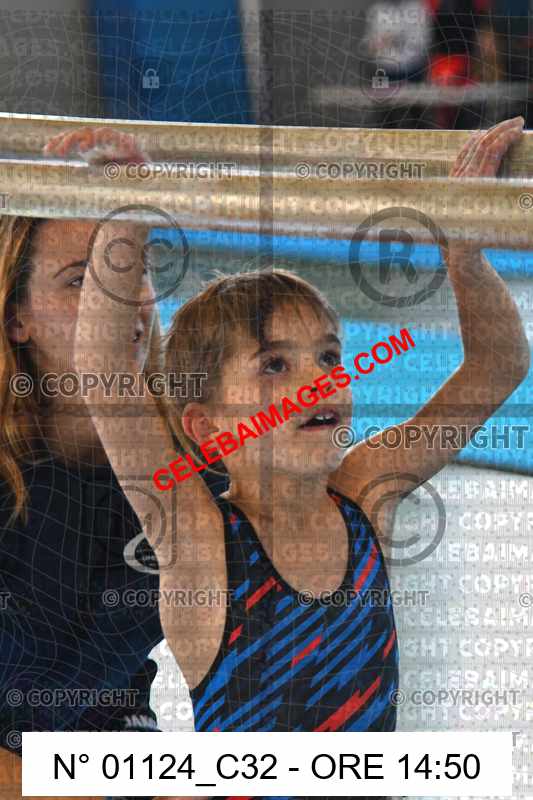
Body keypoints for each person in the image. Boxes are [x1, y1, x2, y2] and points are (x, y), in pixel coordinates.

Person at [56, 117, 529, 800]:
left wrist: (465, 250)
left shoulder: (363, 492)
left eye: (329, 357)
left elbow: (496, 366)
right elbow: (105, 371)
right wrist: (125, 211)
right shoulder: (198, 538)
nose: (318, 381)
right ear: (206, 426)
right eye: (274, 365)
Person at [0, 134, 199, 800]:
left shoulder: (188, 464)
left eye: (131, 267)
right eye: (80, 279)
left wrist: (459, 244)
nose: (122, 300)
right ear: (17, 317)